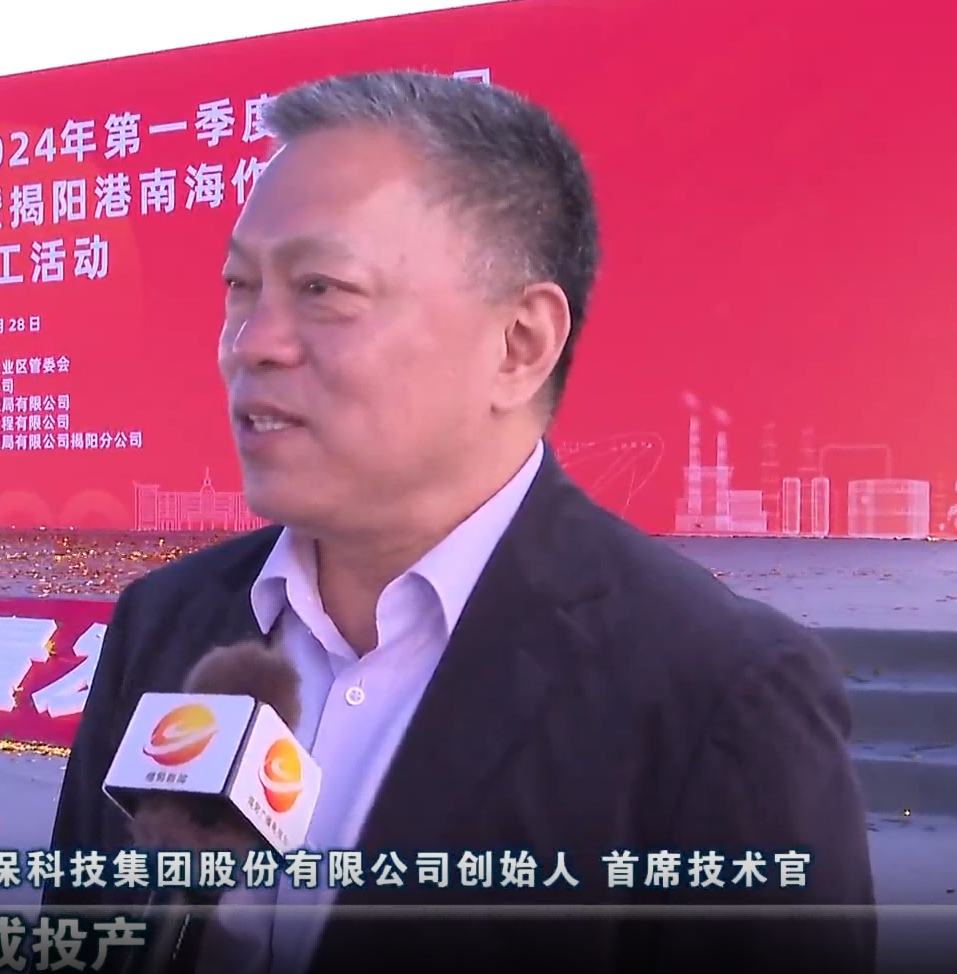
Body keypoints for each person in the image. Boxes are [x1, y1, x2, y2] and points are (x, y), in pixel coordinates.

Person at [43, 69, 876, 974]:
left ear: (518, 344)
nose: (253, 342)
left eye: (321, 288)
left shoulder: (719, 693)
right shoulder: (164, 622)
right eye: (241, 286)